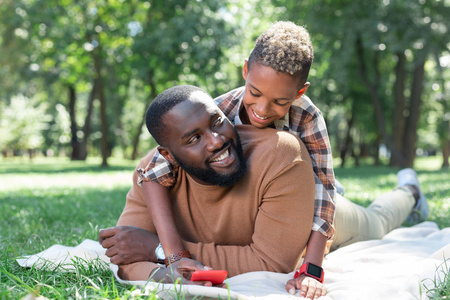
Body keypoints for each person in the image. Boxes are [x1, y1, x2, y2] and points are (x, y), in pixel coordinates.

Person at [136, 21, 336, 297]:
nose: (263, 110)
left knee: (371, 220)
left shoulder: (308, 118)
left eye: (280, 102)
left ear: (299, 92)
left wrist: (311, 269)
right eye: (254, 92)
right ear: (245, 71)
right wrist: (174, 256)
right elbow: (154, 172)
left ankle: (406, 192)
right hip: (266, 212)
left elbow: (325, 191)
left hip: (310, 206)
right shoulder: (218, 112)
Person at [99, 85, 316, 284]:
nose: (216, 141)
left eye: (217, 122)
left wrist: (157, 250)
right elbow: (125, 255)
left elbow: (273, 263)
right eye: (193, 139)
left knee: (345, 220)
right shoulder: (151, 173)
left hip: (317, 209)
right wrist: (167, 276)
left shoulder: (281, 155)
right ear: (168, 155)